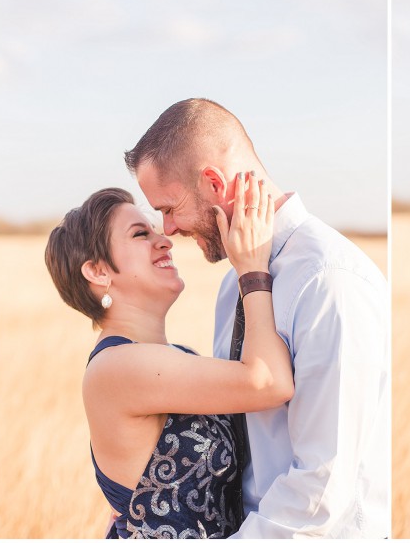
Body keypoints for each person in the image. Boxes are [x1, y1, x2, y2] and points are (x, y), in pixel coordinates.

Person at [123, 98, 389, 538]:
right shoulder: (236, 285)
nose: (167, 229)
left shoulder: (330, 279)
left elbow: (323, 486)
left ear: (212, 181)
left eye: (169, 208)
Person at [44, 173, 294, 538]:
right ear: (97, 272)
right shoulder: (117, 366)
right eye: (140, 234)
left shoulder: (175, 357)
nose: (165, 240)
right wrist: (252, 269)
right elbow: (268, 381)